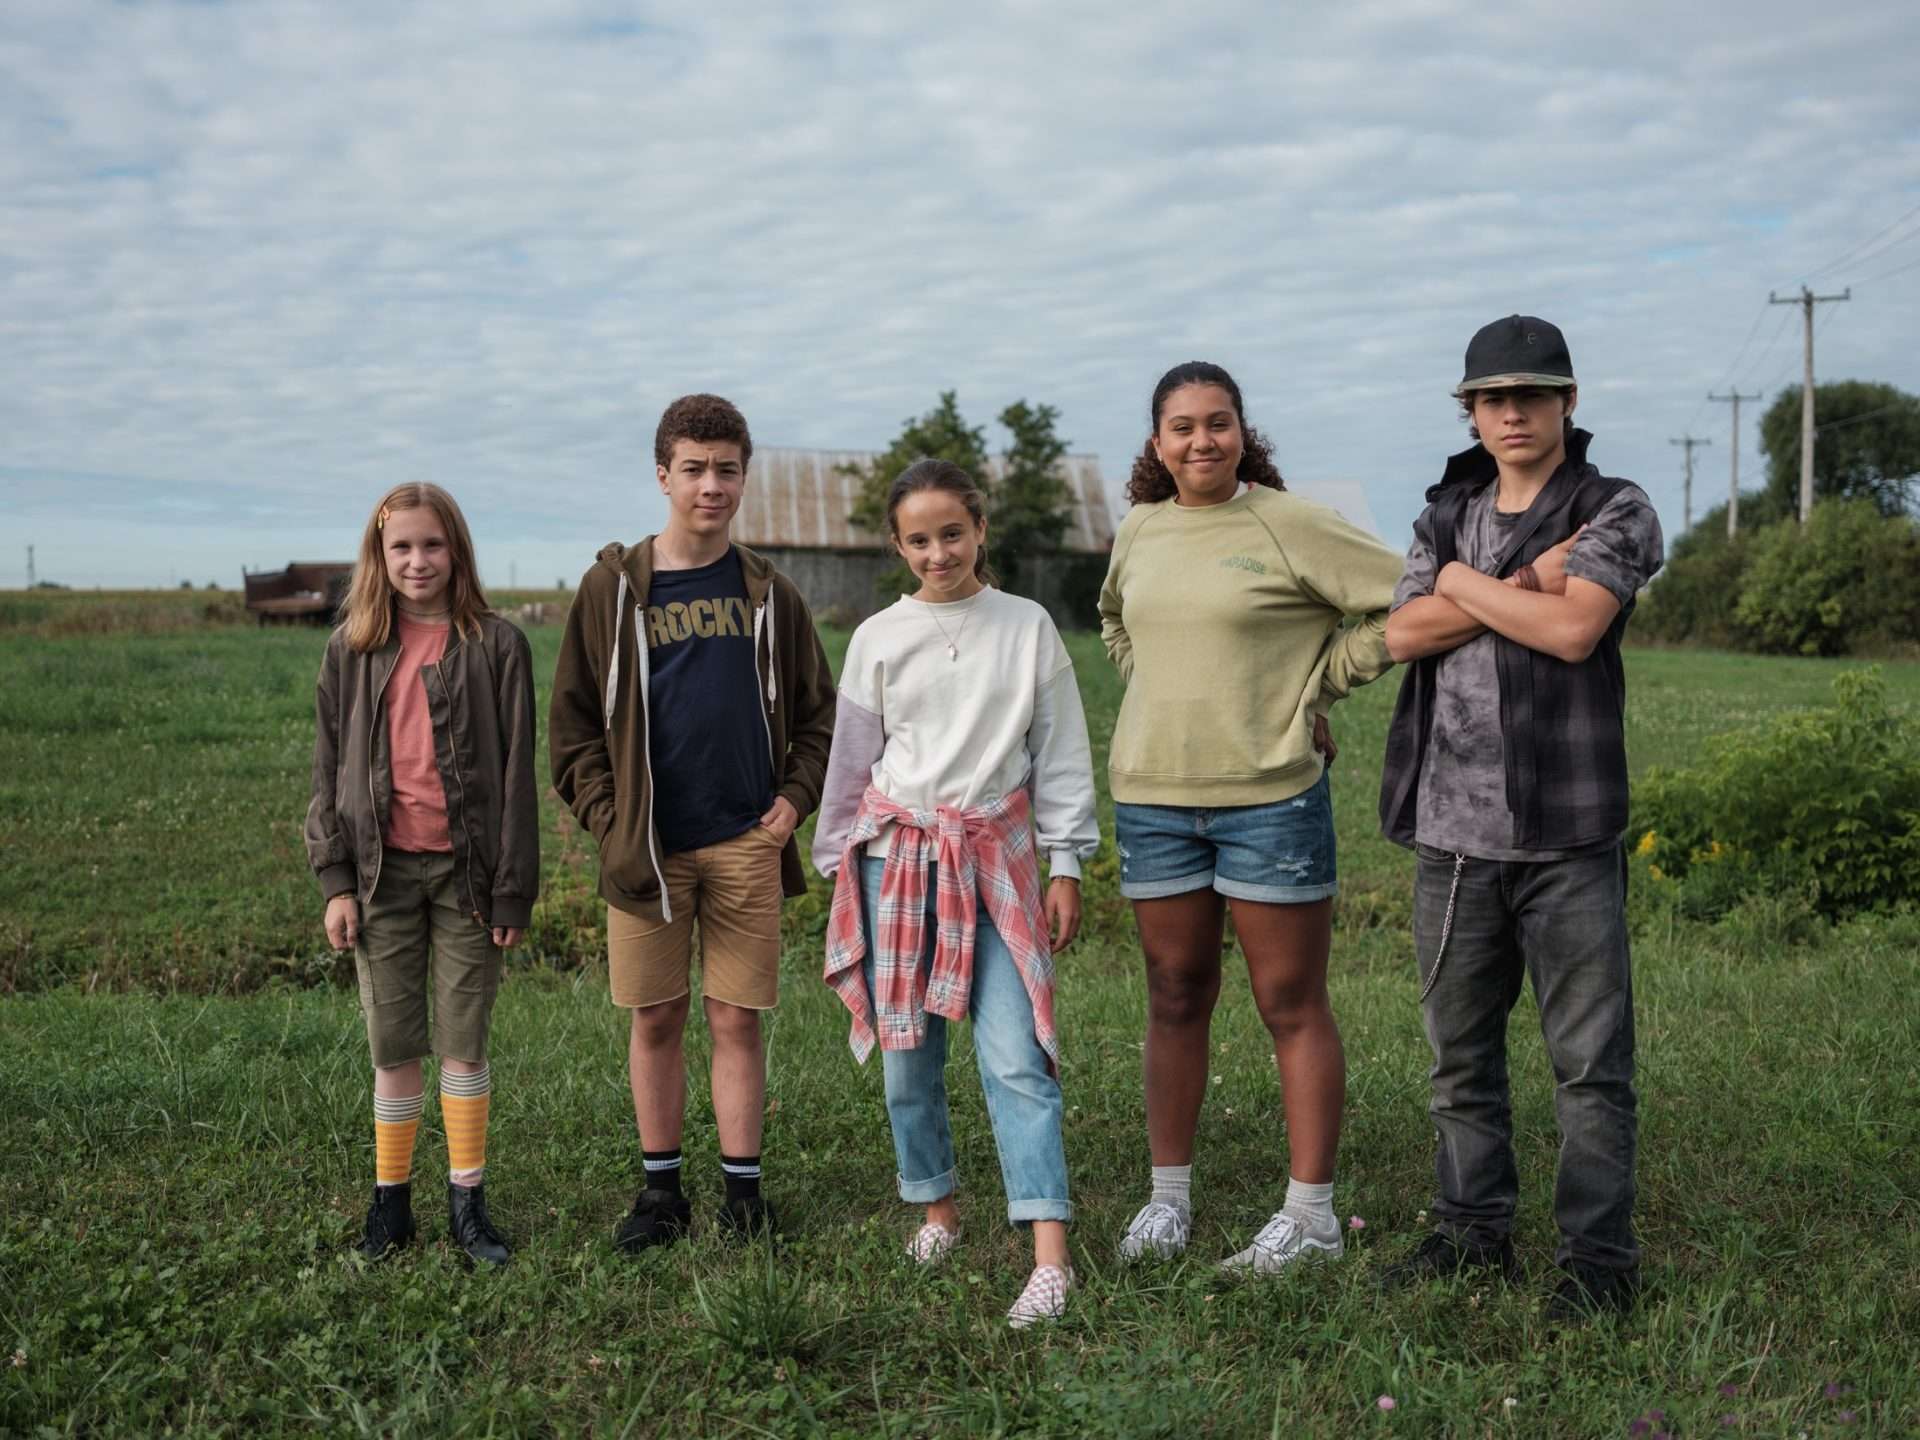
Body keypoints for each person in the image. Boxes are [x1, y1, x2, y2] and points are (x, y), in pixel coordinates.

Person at [1377, 315, 1664, 1322]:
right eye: (1494, 398)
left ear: (1568, 402)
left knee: (1590, 1065)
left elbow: (1575, 631)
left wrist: (1467, 589)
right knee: (1458, 1057)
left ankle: (1598, 1262)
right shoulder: (1444, 513)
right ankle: (1471, 1233)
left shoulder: (1615, 508)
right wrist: (1509, 581)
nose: (1513, 412)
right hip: (1453, 839)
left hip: (1567, 837)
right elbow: (1402, 634)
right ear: (1470, 410)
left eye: (1532, 395)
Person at [1097, 361, 1402, 1272]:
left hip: (1270, 799)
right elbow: (1115, 621)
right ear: (1158, 442)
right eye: (1183, 426)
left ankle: (1309, 1218)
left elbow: (1404, 598)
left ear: (1243, 432)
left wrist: (1317, 684)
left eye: (1218, 423)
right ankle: (1167, 1202)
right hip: (1153, 798)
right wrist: (1162, 694)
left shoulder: (1285, 520)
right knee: (1175, 996)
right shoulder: (1141, 530)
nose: (1201, 440)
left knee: (1289, 1003)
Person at [815, 458, 1098, 1328]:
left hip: (994, 857)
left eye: (952, 533)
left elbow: (1059, 748)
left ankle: (1049, 1254)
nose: (938, 552)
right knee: (909, 1060)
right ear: (899, 547)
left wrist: (1066, 861)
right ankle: (938, 1209)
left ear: (979, 530)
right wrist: (837, 868)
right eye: (919, 539)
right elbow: (852, 762)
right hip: (897, 860)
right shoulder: (877, 639)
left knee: (1016, 1055)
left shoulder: (1026, 626)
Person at [550, 393, 835, 1250]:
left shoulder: (767, 592)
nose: (711, 486)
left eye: (727, 470)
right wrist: (612, 823)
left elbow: (821, 716)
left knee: (735, 1018)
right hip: (649, 849)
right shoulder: (614, 590)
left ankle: (744, 1198)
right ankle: (661, 1193)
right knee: (656, 1017)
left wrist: (791, 804)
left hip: (747, 839)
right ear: (663, 475)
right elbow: (569, 732)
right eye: (694, 470)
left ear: (744, 476)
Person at [307, 482, 539, 1267]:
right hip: (381, 876)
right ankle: (391, 1207)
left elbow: (516, 777)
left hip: (468, 877)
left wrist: (512, 887)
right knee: (393, 1042)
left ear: (457, 550)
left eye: (432, 545)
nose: (417, 561)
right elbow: (327, 769)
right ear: (378, 552)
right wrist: (336, 878)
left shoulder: (497, 646)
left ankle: (468, 1207)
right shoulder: (352, 648)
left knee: (464, 1043)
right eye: (400, 546)